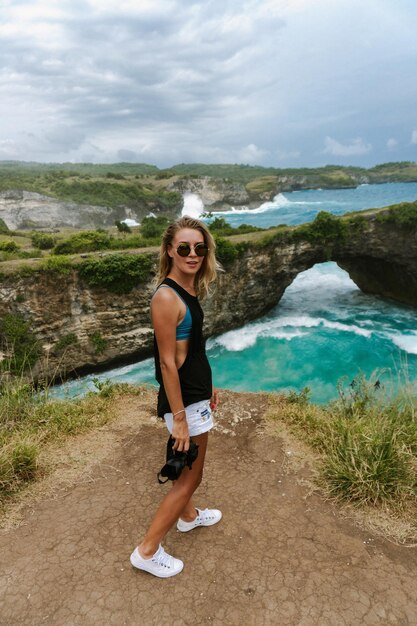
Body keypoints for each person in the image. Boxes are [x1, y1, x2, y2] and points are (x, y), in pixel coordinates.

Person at [130, 215, 222, 578]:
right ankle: (147, 550)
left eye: (199, 248)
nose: (192, 254)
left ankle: (187, 517)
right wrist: (181, 418)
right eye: (184, 247)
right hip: (186, 402)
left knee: (186, 470)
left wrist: (208, 381)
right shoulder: (167, 297)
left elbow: (191, 350)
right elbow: (168, 364)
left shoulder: (188, 290)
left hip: (195, 395)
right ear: (169, 250)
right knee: (189, 478)